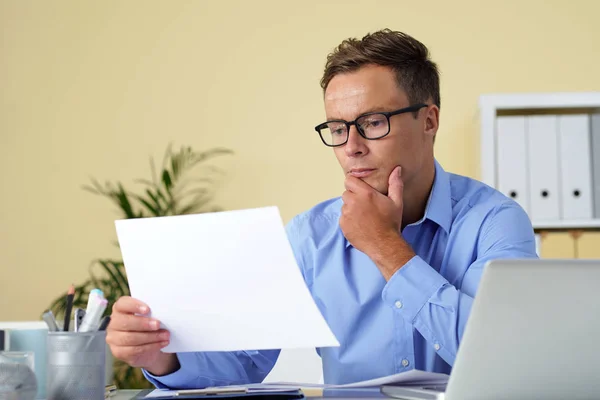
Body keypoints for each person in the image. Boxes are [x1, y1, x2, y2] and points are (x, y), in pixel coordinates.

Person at [106, 29, 538, 389]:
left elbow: (502, 358)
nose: (351, 147)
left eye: (372, 123)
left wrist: (385, 247)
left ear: (429, 121)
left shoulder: (494, 222)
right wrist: (161, 357)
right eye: (337, 128)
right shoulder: (310, 236)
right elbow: (244, 360)